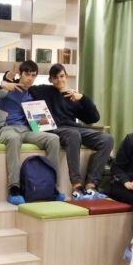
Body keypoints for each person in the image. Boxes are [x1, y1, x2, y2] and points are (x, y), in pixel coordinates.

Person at [0, 60, 63, 205]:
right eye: (27, 74)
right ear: (20, 74)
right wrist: (2, 84)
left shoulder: (31, 95)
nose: (30, 78)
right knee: (14, 138)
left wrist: (42, 121)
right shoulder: (8, 89)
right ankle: (14, 188)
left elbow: (37, 122)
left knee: (53, 139)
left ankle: (52, 186)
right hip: (6, 129)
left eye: (33, 75)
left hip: (27, 131)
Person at [27, 63, 114, 199]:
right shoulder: (45, 91)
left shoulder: (73, 96)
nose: (59, 80)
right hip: (55, 129)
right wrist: (8, 80)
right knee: (73, 134)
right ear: (50, 79)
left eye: (61, 76)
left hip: (74, 128)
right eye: (55, 77)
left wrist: (83, 98)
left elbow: (94, 118)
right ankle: (76, 186)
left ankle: (91, 186)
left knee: (107, 139)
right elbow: (27, 86)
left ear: (66, 76)